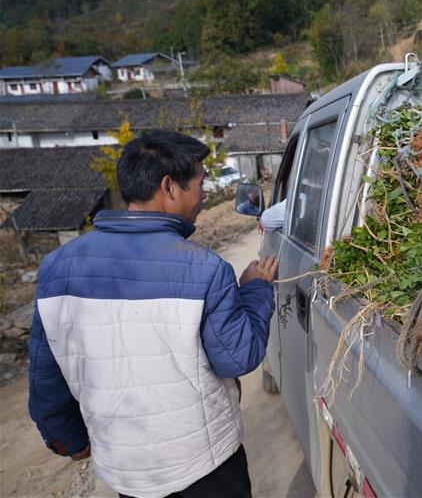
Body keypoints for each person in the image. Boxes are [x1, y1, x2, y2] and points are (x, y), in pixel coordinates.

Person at [28, 129, 278, 498]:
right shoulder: (204, 269)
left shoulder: (56, 268)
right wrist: (256, 289)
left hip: (127, 469)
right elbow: (238, 358)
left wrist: (67, 439)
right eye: (200, 182)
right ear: (169, 187)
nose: (205, 194)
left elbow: (46, 373)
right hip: (203, 465)